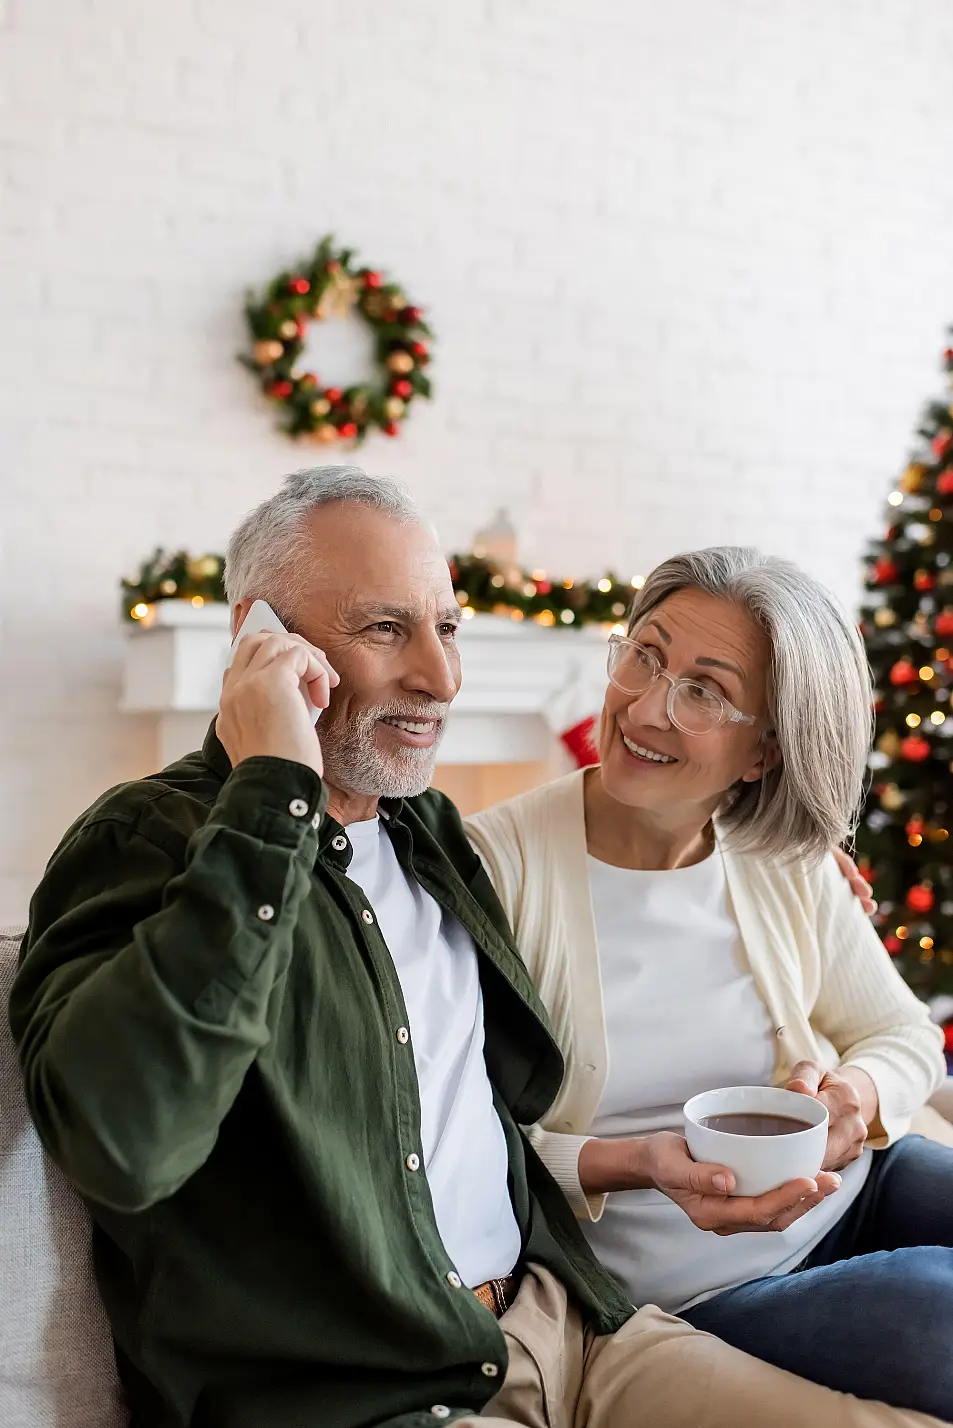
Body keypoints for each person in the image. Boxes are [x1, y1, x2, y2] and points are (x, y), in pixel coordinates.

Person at [9, 473, 945, 1428]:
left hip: (569, 1325)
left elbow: (489, 1115)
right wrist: (272, 788)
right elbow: (124, 1144)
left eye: (447, 630)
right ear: (259, 638)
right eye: (385, 629)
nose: (441, 679)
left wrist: (654, 1156)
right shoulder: (151, 841)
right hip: (377, 1389)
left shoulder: (428, 840)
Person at [466, 544, 953, 1422]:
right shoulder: (494, 869)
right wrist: (635, 1164)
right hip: (701, 1288)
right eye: (644, 656)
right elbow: (456, 1142)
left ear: (763, 752)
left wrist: (853, 1097)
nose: (645, 707)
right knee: (938, 1316)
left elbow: (904, 1034)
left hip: (853, 1191)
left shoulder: (782, 861)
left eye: (704, 689)